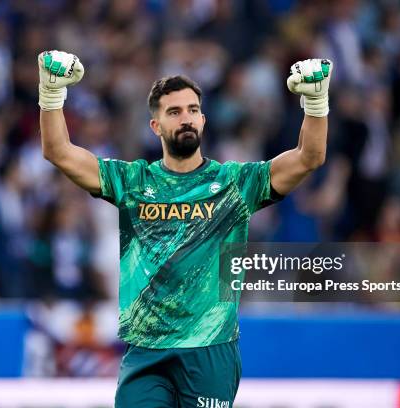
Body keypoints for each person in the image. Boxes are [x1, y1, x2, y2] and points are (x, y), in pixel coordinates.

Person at [38, 50, 332, 407]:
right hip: (146, 351)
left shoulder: (233, 184)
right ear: (155, 126)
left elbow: (309, 157)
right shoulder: (133, 182)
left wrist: (315, 102)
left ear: (204, 120)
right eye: (174, 112)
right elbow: (59, 151)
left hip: (209, 351)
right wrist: (51, 95)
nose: (186, 118)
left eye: (193, 110)